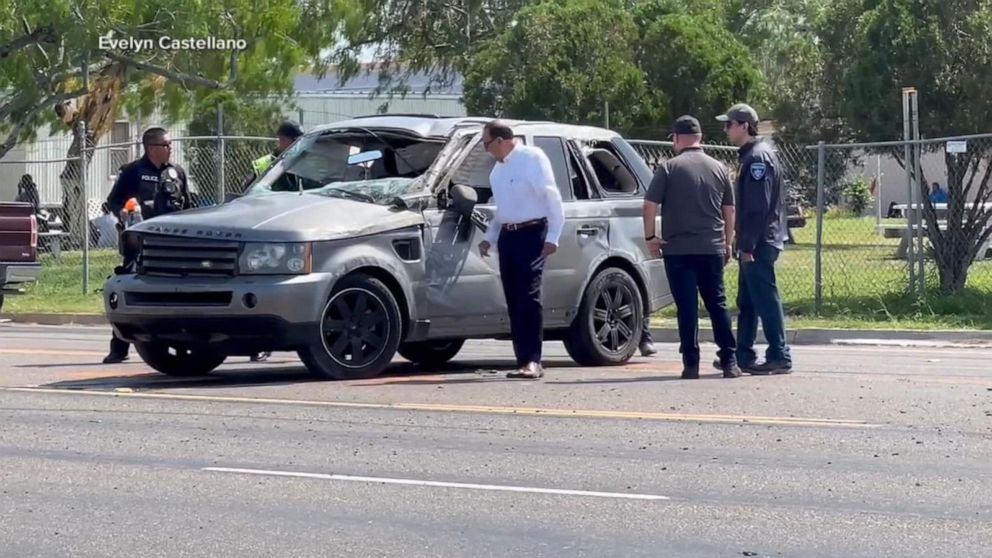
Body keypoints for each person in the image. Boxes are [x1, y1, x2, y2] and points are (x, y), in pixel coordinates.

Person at [642, 116, 741, 379]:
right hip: (711, 248)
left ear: (676, 138)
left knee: (686, 308)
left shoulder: (668, 168)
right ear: (700, 138)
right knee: (717, 305)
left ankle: (691, 363)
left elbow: (649, 204)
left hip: (678, 250)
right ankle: (730, 360)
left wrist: (651, 237)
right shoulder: (720, 168)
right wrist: (727, 242)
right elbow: (729, 209)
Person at [477, 120, 565, 379]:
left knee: (528, 296)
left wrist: (553, 236)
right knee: (514, 298)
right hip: (509, 236)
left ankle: (533, 360)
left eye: (486, 143)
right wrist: (489, 238)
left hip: (532, 232)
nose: (486, 149)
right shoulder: (497, 171)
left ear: (501, 140)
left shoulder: (532, 158)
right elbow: (501, 209)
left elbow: (552, 197)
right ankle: (522, 359)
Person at [102, 127, 192, 364]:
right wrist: (122, 211)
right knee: (132, 292)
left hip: (173, 244)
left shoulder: (177, 172)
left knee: (180, 294)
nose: (170, 148)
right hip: (141, 244)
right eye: (166, 145)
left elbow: (188, 206)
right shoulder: (133, 172)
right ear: (152, 148)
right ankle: (119, 348)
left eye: (170, 144)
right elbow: (113, 201)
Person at [717, 103, 793, 375]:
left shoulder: (757, 159)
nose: (726, 129)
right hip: (755, 240)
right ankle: (744, 353)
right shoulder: (752, 156)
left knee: (765, 298)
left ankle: (779, 355)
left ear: (743, 126)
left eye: (729, 124)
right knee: (747, 300)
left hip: (759, 241)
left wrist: (747, 244)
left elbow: (756, 208)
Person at [240, 120, 304, 194]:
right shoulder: (262, 164)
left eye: (301, 141)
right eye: (295, 140)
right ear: (282, 139)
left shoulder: (302, 162)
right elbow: (248, 194)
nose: (299, 144)